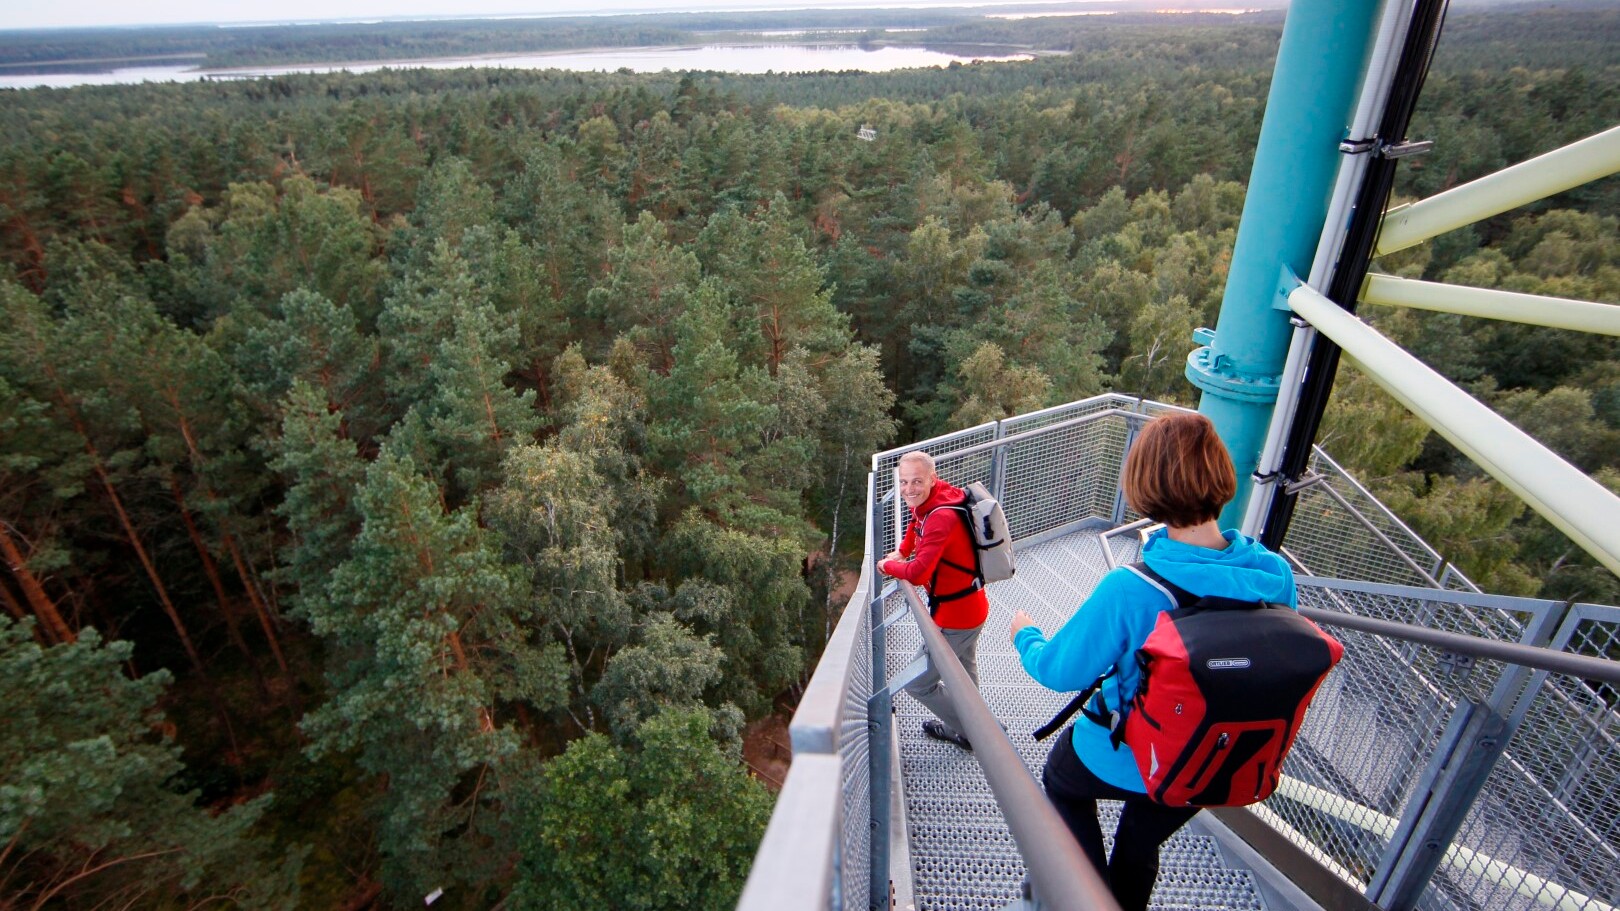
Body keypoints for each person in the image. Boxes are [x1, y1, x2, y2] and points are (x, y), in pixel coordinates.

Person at [1009, 412, 1297, 911]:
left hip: (1127, 755)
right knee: (1141, 840)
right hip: (1213, 757)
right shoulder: (1274, 572)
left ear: (1145, 486)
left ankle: (1083, 897)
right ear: (1221, 478)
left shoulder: (1132, 587)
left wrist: (1024, 635)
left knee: (1061, 780)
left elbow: (1059, 672)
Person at [879, 450, 990, 751]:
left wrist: (888, 565)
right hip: (970, 606)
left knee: (918, 683)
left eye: (916, 481)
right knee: (964, 673)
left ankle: (975, 734)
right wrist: (902, 550)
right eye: (903, 482)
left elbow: (917, 572)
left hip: (957, 617)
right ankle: (979, 724)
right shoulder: (938, 497)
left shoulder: (941, 517)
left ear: (932, 478)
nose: (908, 490)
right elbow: (917, 521)